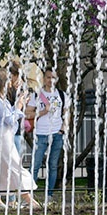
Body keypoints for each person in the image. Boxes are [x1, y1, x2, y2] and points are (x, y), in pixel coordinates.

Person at [0, 72, 39, 210]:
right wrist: (19, 108)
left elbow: (10, 120)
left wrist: (19, 105)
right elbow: (8, 120)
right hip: (3, 138)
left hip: (4, 136)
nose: (11, 83)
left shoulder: (2, 100)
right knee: (15, 166)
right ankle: (28, 199)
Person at [26, 67, 64, 200]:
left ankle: (49, 195)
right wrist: (43, 112)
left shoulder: (61, 94)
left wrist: (63, 129)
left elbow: (67, 112)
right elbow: (27, 113)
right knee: (35, 165)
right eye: (48, 77)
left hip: (57, 134)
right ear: (44, 79)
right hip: (41, 134)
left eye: (53, 78)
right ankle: (28, 196)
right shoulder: (36, 95)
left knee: (53, 166)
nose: (51, 80)